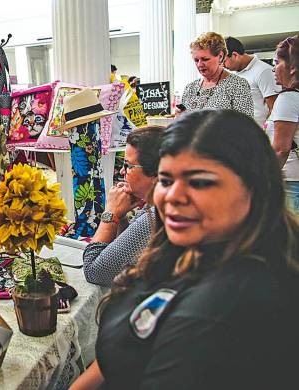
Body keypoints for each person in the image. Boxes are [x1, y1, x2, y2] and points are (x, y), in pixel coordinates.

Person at [71, 109, 299, 390]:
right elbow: (123, 348)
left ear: (253, 187)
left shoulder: (228, 303)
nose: (173, 197)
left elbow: (98, 271)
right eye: (166, 180)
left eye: (200, 182)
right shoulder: (191, 249)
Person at [83, 126, 163, 286]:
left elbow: (95, 271)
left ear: (155, 174)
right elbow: (122, 254)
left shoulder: (158, 214)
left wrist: (110, 213)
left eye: (128, 166)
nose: (121, 171)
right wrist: (120, 214)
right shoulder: (155, 205)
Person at [178, 32, 253, 117]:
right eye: (196, 60)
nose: (200, 64)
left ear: (220, 56)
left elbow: (245, 125)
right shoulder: (190, 88)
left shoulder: (238, 85)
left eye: (205, 59)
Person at [224, 36, 281, 129]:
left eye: (223, 61)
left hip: (257, 136)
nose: (222, 65)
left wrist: (263, 132)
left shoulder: (264, 71)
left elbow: (275, 109)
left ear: (235, 55)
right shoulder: (230, 73)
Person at [269, 34, 299, 211]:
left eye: (276, 63)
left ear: (292, 67)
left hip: (291, 181)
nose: (273, 69)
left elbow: (281, 149)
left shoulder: (288, 99)